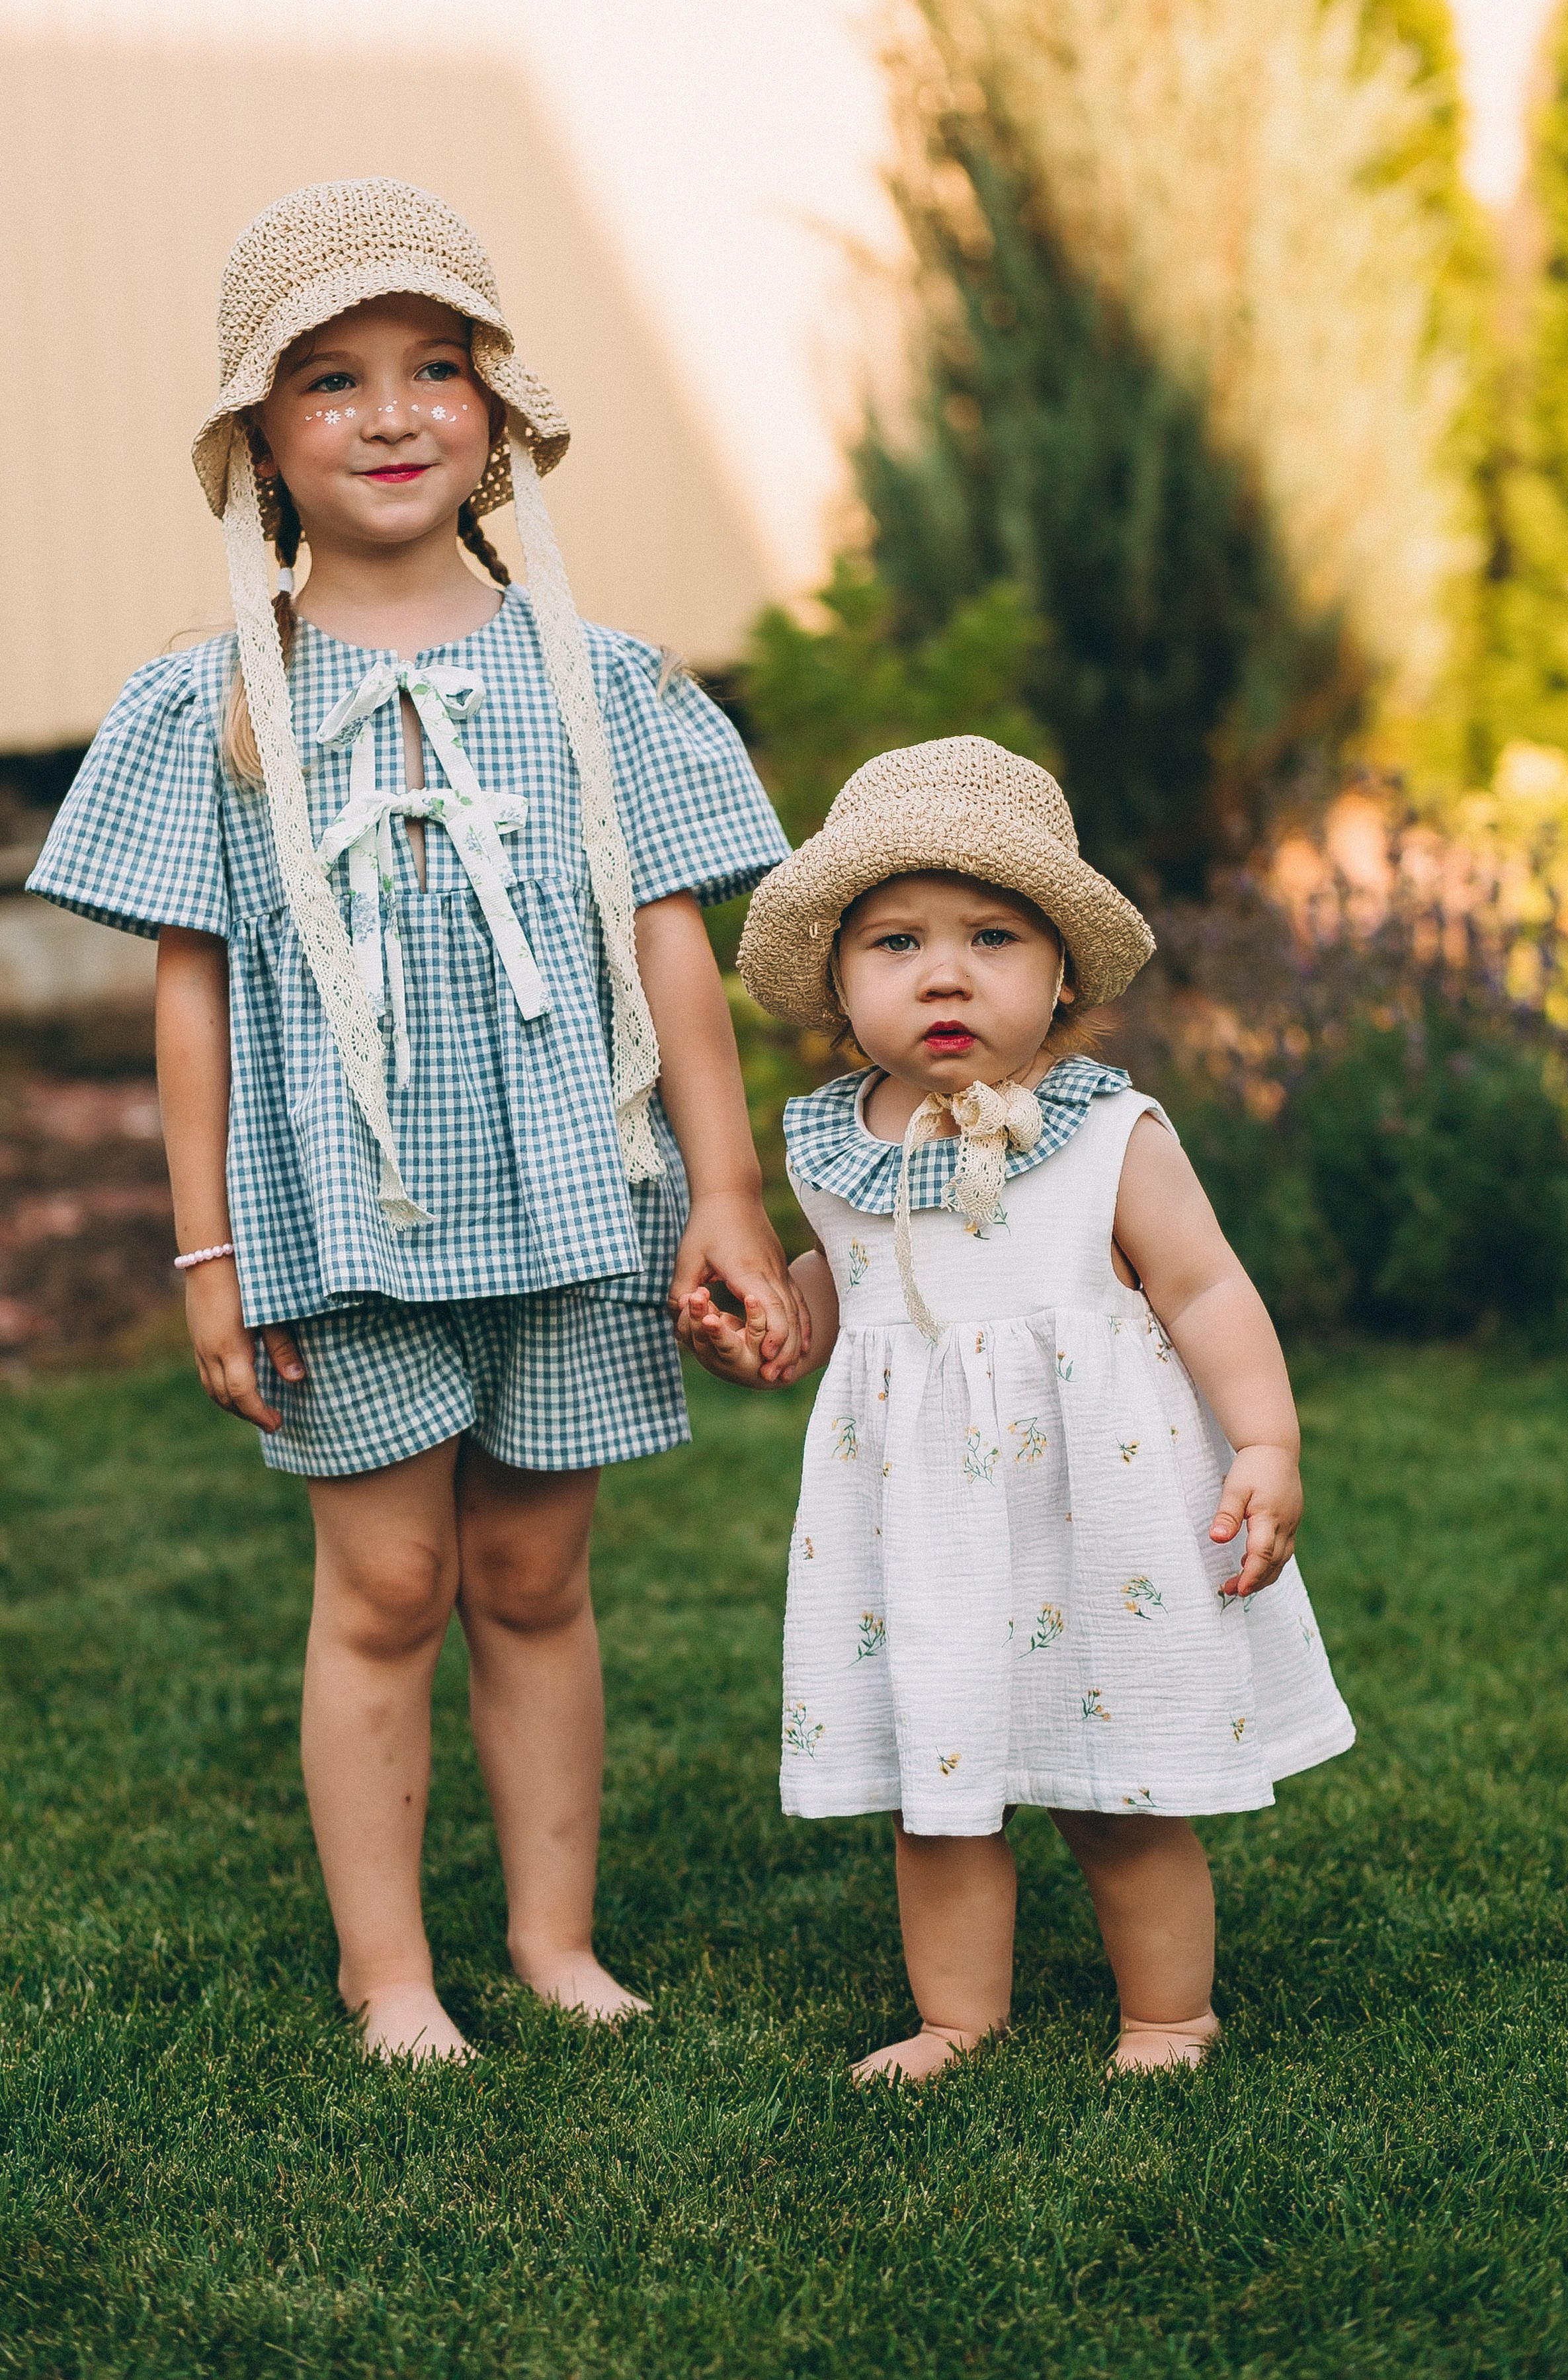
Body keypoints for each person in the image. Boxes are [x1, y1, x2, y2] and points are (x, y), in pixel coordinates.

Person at [29, 179, 805, 2062]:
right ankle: (393, 1975)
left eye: (435, 366)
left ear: (497, 409)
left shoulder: (599, 682)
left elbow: (668, 944)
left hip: (574, 1194)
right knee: (387, 1580)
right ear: (261, 446)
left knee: (536, 1571)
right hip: (341, 1212)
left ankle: (554, 1936)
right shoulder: (218, 702)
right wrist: (206, 1248)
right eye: (331, 382)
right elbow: (193, 987)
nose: (391, 415)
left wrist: (723, 1189)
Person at [679, 735, 1354, 2082]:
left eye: (992, 936)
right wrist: (768, 1332)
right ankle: (956, 2019)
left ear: (1059, 976)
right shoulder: (832, 1152)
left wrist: (1267, 1443)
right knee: (941, 1800)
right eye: (894, 943)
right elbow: (845, 1303)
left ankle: (1169, 2015)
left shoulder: (1110, 1137)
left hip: (1095, 1523)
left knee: (1118, 1792)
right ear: (837, 983)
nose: (943, 972)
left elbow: (1208, 1292)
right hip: (923, 1530)